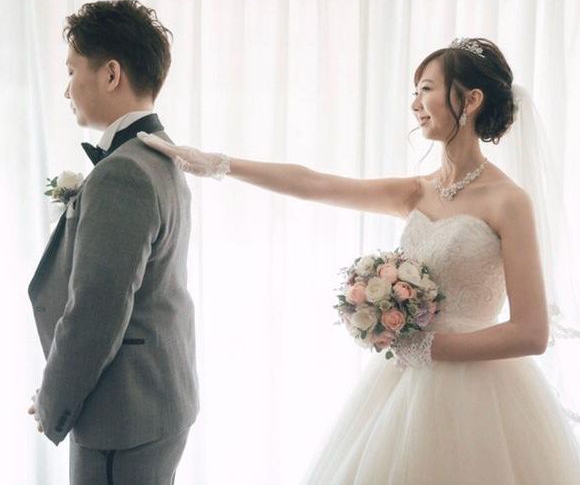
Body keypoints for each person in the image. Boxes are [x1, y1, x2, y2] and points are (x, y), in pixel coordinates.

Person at [138, 37, 580, 483]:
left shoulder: (509, 201)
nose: (415, 104)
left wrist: (429, 347)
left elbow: (531, 333)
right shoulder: (417, 191)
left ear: (471, 100)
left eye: (426, 89)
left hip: (483, 399)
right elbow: (314, 184)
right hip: (404, 389)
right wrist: (218, 163)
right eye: (415, 92)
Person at [27, 0, 198, 485]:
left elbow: (96, 309)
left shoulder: (122, 171)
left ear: (110, 74)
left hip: (122, 415)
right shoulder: (161, 154)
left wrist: (52, 401)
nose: (66, 89)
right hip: (156, 398)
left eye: (72, 70)